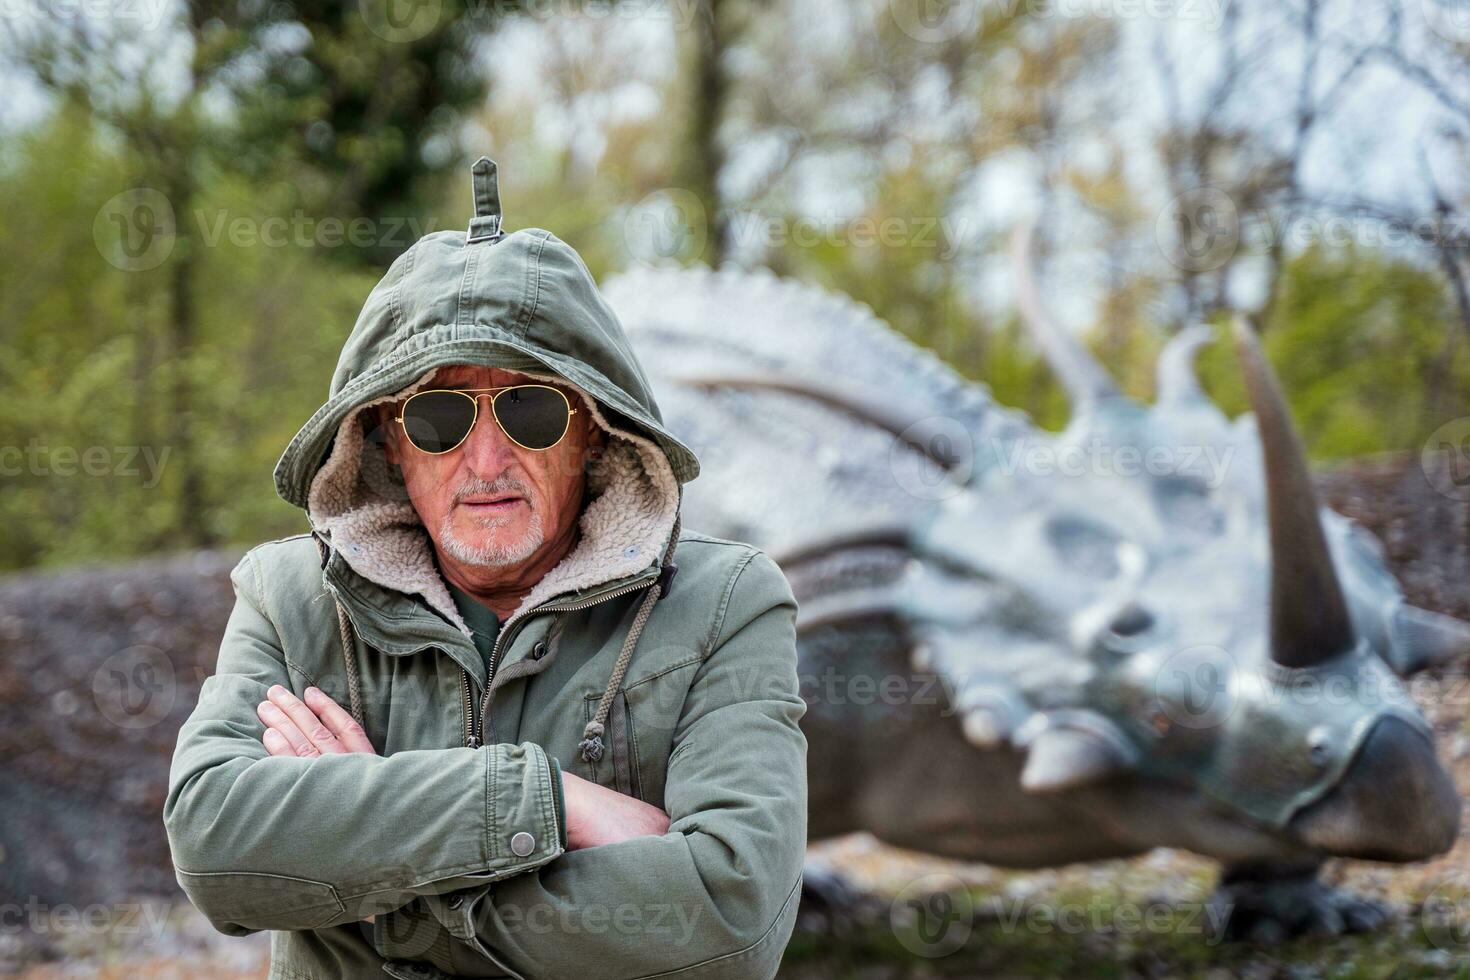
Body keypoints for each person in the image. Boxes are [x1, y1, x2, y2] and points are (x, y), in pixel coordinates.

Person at [163, 157, 808, 980]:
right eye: (438, 416)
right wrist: (551, 802)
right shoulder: (291, 600)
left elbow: (730, 922)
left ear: (595, 429)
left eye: (530, 407)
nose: (487, 458)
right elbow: (216, 848)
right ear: (388, 441)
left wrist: (372, 881)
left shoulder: (726, 606)